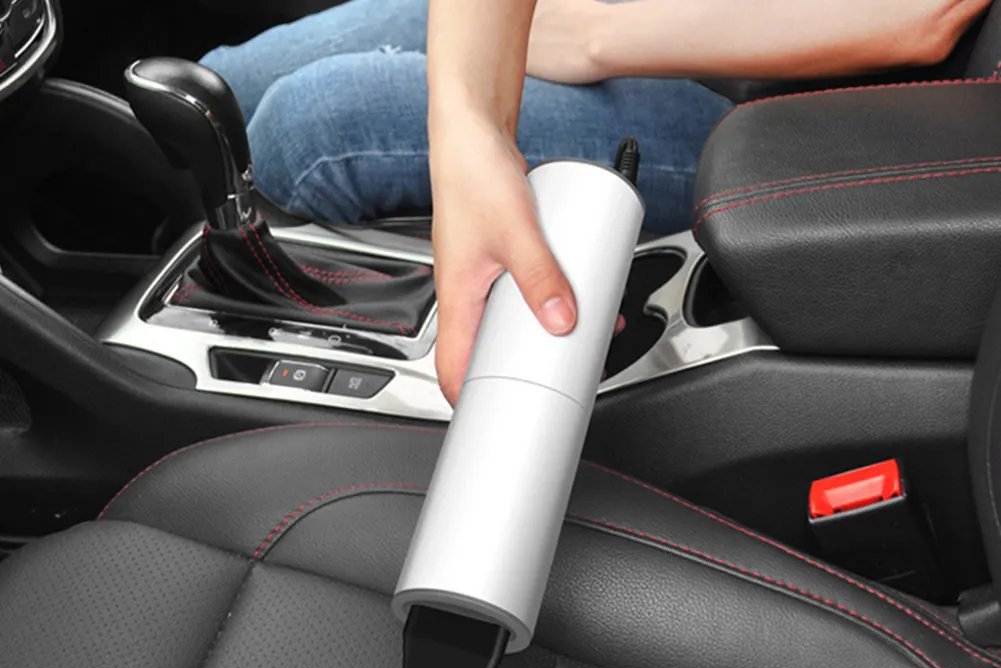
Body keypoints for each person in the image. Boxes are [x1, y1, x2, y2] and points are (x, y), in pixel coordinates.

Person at [204, 0, 989, 404]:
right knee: (227, 82)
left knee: (313, 127)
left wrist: (591, 35)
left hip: (820, 109)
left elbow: (922, 16)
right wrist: (467, 115)